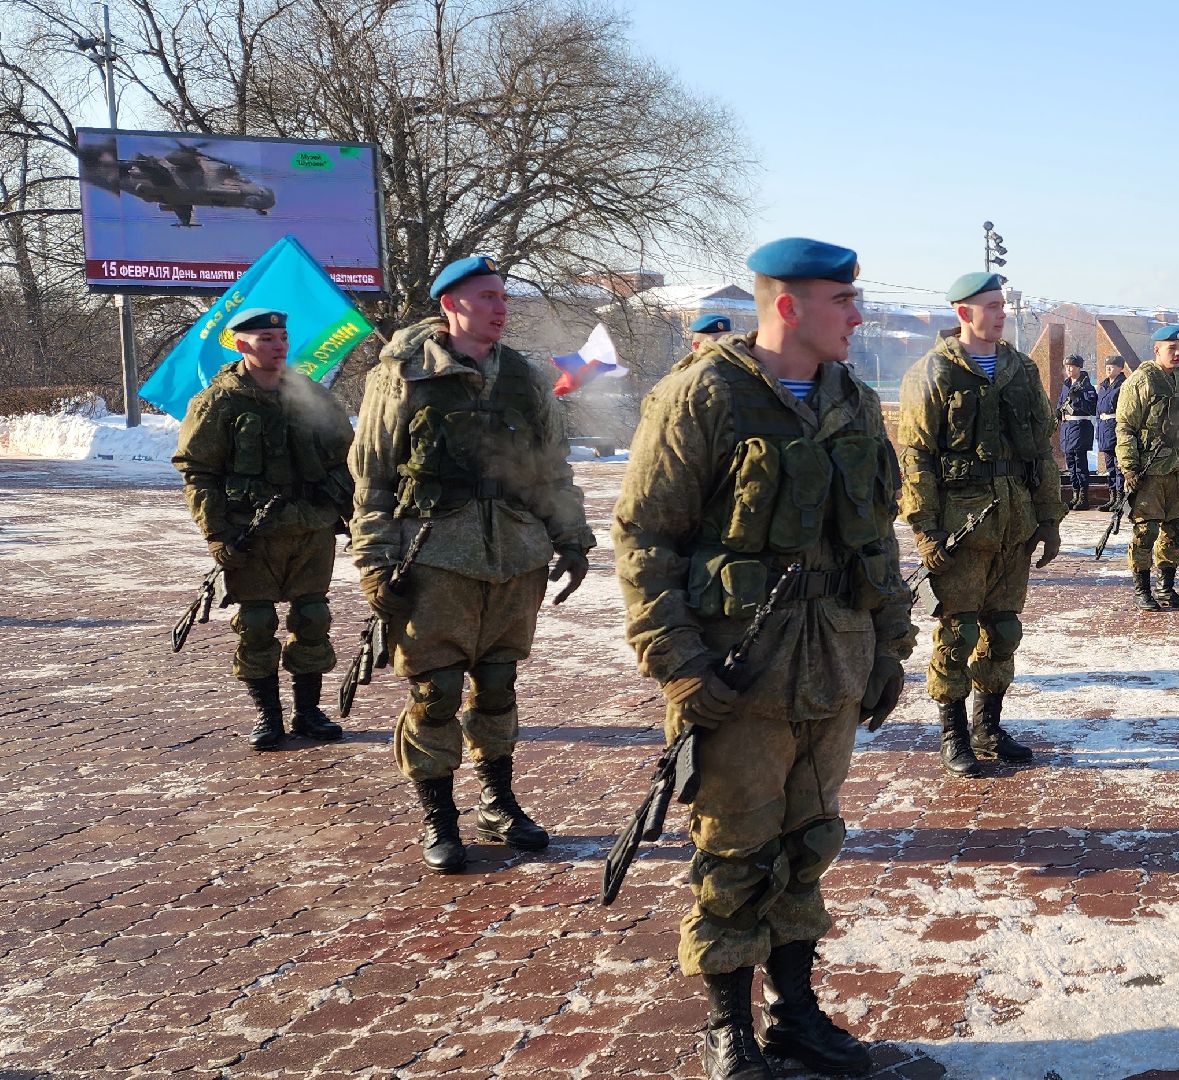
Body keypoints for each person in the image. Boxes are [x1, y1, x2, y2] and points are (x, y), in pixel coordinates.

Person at [614, 238, 917, 1079]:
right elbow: (645, 538)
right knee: (734, 845)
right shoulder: (700, 396)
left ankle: (793, 1012)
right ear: (788, 304)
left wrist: (890, 647)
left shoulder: (851, 400)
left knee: (809, 838)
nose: (857, 315)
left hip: (834, 662)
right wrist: (678, 662)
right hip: (736, 672)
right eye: (841, 299)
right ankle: (726, 1023)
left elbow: (877, 537)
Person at [348, 255, 596, 873]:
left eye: (503, 297)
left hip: (515, 557)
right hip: (433, 558)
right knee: (434, 693)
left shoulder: (525, 377)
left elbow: (550, 466)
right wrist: (375, 559)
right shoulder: (402, 375)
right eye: (487, 297)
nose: (500, 307)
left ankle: (497, 800)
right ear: (451, 304)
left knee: (497, 688)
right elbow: (372, 474)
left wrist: (571, 536)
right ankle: (439, 815)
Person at [894, 271, 1063, 779]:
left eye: (1003, 304)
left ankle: (988, 726)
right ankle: (953, 734)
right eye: (991, 306)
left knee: (1003, 629)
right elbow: (917, 457)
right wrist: (924, 530)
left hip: (1015, 524)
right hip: (960, 528)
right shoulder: (933, 374)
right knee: (958, 632)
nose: (1001, 313)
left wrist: (1048, 518)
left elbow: (1041, 451)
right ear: (963, 313)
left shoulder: (1021, 371)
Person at [171, 307, 355, 750]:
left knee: (313, 618)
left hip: (311, 526)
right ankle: (267, 716)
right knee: (255, 622)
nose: (278, 347)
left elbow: (345, 458)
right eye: (267, 340)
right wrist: (216, 533)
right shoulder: (220, 402)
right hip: (250, 533)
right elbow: (198, 471)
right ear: (241, 345)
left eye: (282, 339)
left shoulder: (310, 395)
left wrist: (351, 514)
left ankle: (308, 712)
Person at [1114, 325, 1179, 612]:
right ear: (1157, 350)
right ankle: (1141, 589)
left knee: (1175, 529)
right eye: (1172, 348)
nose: (1178, 353)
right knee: (1146, 530)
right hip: (1150, 470)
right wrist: (1130, 468)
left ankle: (1166, 588)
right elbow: (1126, 428)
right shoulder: (1140, 382)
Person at [1057, 355, 1100, 510]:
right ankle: (1075, 495)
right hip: (1067, 428)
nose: (1069, 369)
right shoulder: (1066, 384)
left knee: (1080, 462)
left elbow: (1091, 407)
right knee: (1071, 464)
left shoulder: (1086, 386)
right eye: (1067, 366)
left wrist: (1077, 400)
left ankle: (1083, 497)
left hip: (1080, 427)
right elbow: (1061, 402)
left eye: (1072, 366)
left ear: (1079, 367)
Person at [1095, 356, 1129, 509]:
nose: (1109, 369)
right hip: (1104, 429)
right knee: (1109, 467)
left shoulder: (1123, 385)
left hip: (1116, 429)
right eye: (1107, 366)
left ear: (1121, 368)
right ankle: (1112, 497)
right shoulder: (1103, 386)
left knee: (1118, 466)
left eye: (1113, 366)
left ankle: (1120, 498)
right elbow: (1098, 411)